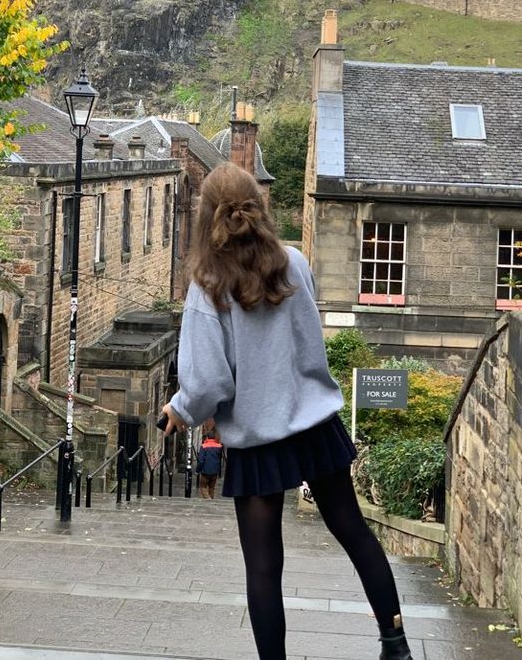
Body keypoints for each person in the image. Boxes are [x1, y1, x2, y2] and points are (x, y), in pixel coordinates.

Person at [162, 162, 413, 660]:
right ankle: (396, 644)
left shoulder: (208, 285)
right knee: (353, 530)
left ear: (208, 215)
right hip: (315, 423)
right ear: (258, 206)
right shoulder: (294, 263)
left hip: (259, 436)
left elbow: (208, 381)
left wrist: (180, 409)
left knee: (262, 565)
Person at [196, 432, 224, 498]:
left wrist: (198, 470)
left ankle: (208, 499)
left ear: (207, 437)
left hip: (205, 471)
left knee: (203, 486)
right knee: (212, 487)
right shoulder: (219, 446)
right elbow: (220, 458)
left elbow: (201, 460)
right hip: (215, 471)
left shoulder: (204, 446)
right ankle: (211, 500)